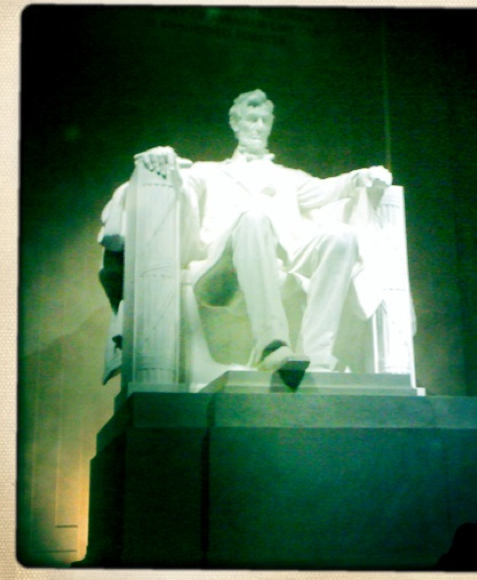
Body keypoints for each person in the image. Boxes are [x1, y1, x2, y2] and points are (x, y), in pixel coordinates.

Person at [100, 89, 393, 378]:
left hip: (281, 257)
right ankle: (271, 344)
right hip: (223, 265)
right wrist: (162, 159)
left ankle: (318, 355)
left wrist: (361, 177)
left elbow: (327, 189)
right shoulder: (209, 171)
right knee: (254, 218)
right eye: (252, 119)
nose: (258, 126)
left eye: (264, 121)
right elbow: (180, 183)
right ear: (235, 123)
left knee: (343, 237)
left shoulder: (290, 178)